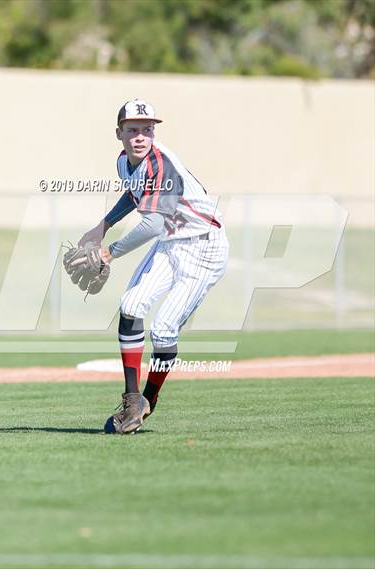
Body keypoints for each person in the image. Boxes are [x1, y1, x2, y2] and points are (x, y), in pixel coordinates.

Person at [79, 98, 228, 434]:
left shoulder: (162, 164)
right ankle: (132, 401)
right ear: (119, 133)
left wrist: (109, 252)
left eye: (147, 129)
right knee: (130, 306)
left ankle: (149, 398)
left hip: (203, 248)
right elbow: (134, 195)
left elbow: (154, 225)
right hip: (171, 244)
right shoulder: (125, 161)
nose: (141, 136)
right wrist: (102, 225)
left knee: (163, 330)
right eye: (133, 129)